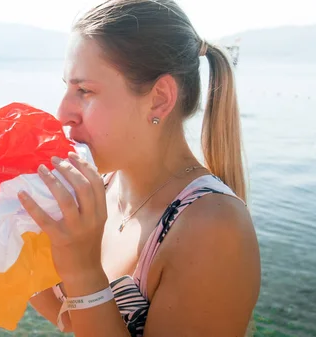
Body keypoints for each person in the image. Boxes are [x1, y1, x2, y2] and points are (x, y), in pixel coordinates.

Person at [18, 0, 261, 336]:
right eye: (67, 87)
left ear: (159, 98)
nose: (62, 114)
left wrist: (82, 270)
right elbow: (74, 321)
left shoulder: (213, 227)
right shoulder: (101, 188)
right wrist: (5, 235)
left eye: (84, 90)